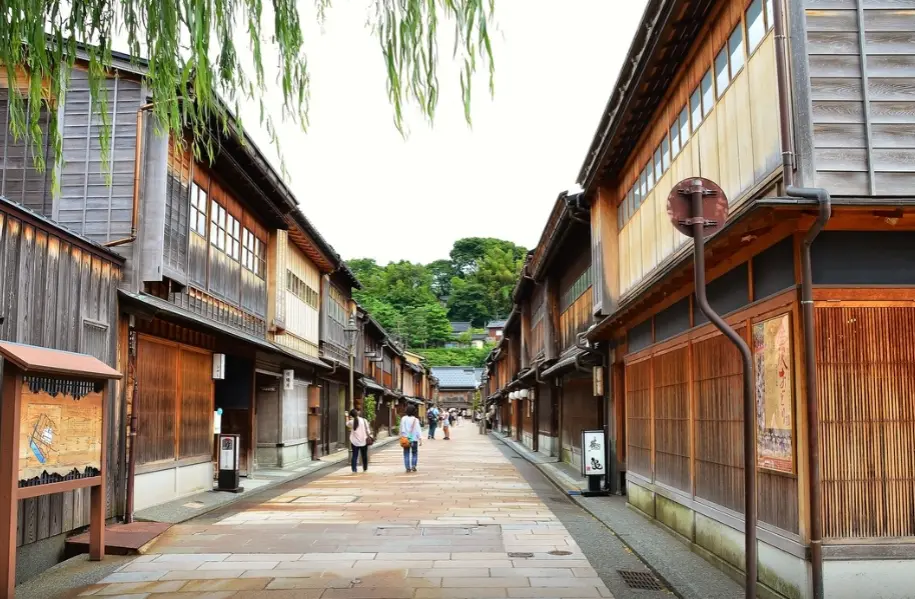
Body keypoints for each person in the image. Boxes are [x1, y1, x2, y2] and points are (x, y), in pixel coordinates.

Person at [400, 404, 422, 472]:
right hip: (414, 438)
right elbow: (418, 430)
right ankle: (413, 466)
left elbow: (401, 429)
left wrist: (401, 436)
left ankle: (407, 468)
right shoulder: (416, 420)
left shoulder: (403, 418)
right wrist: (420, 439)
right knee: (414, 452)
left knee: (406, 453)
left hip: (406, 438)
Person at [347, 408, 369, 473]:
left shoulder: (351, 422)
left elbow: (347, 424)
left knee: (354, 456)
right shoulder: (364, 420)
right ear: (357, 413)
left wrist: (347, 417)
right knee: (364, 455)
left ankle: (354, 469)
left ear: (351, 416)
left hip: (354, 442)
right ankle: (365, 468)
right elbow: (368, 430)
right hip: (364, 441)